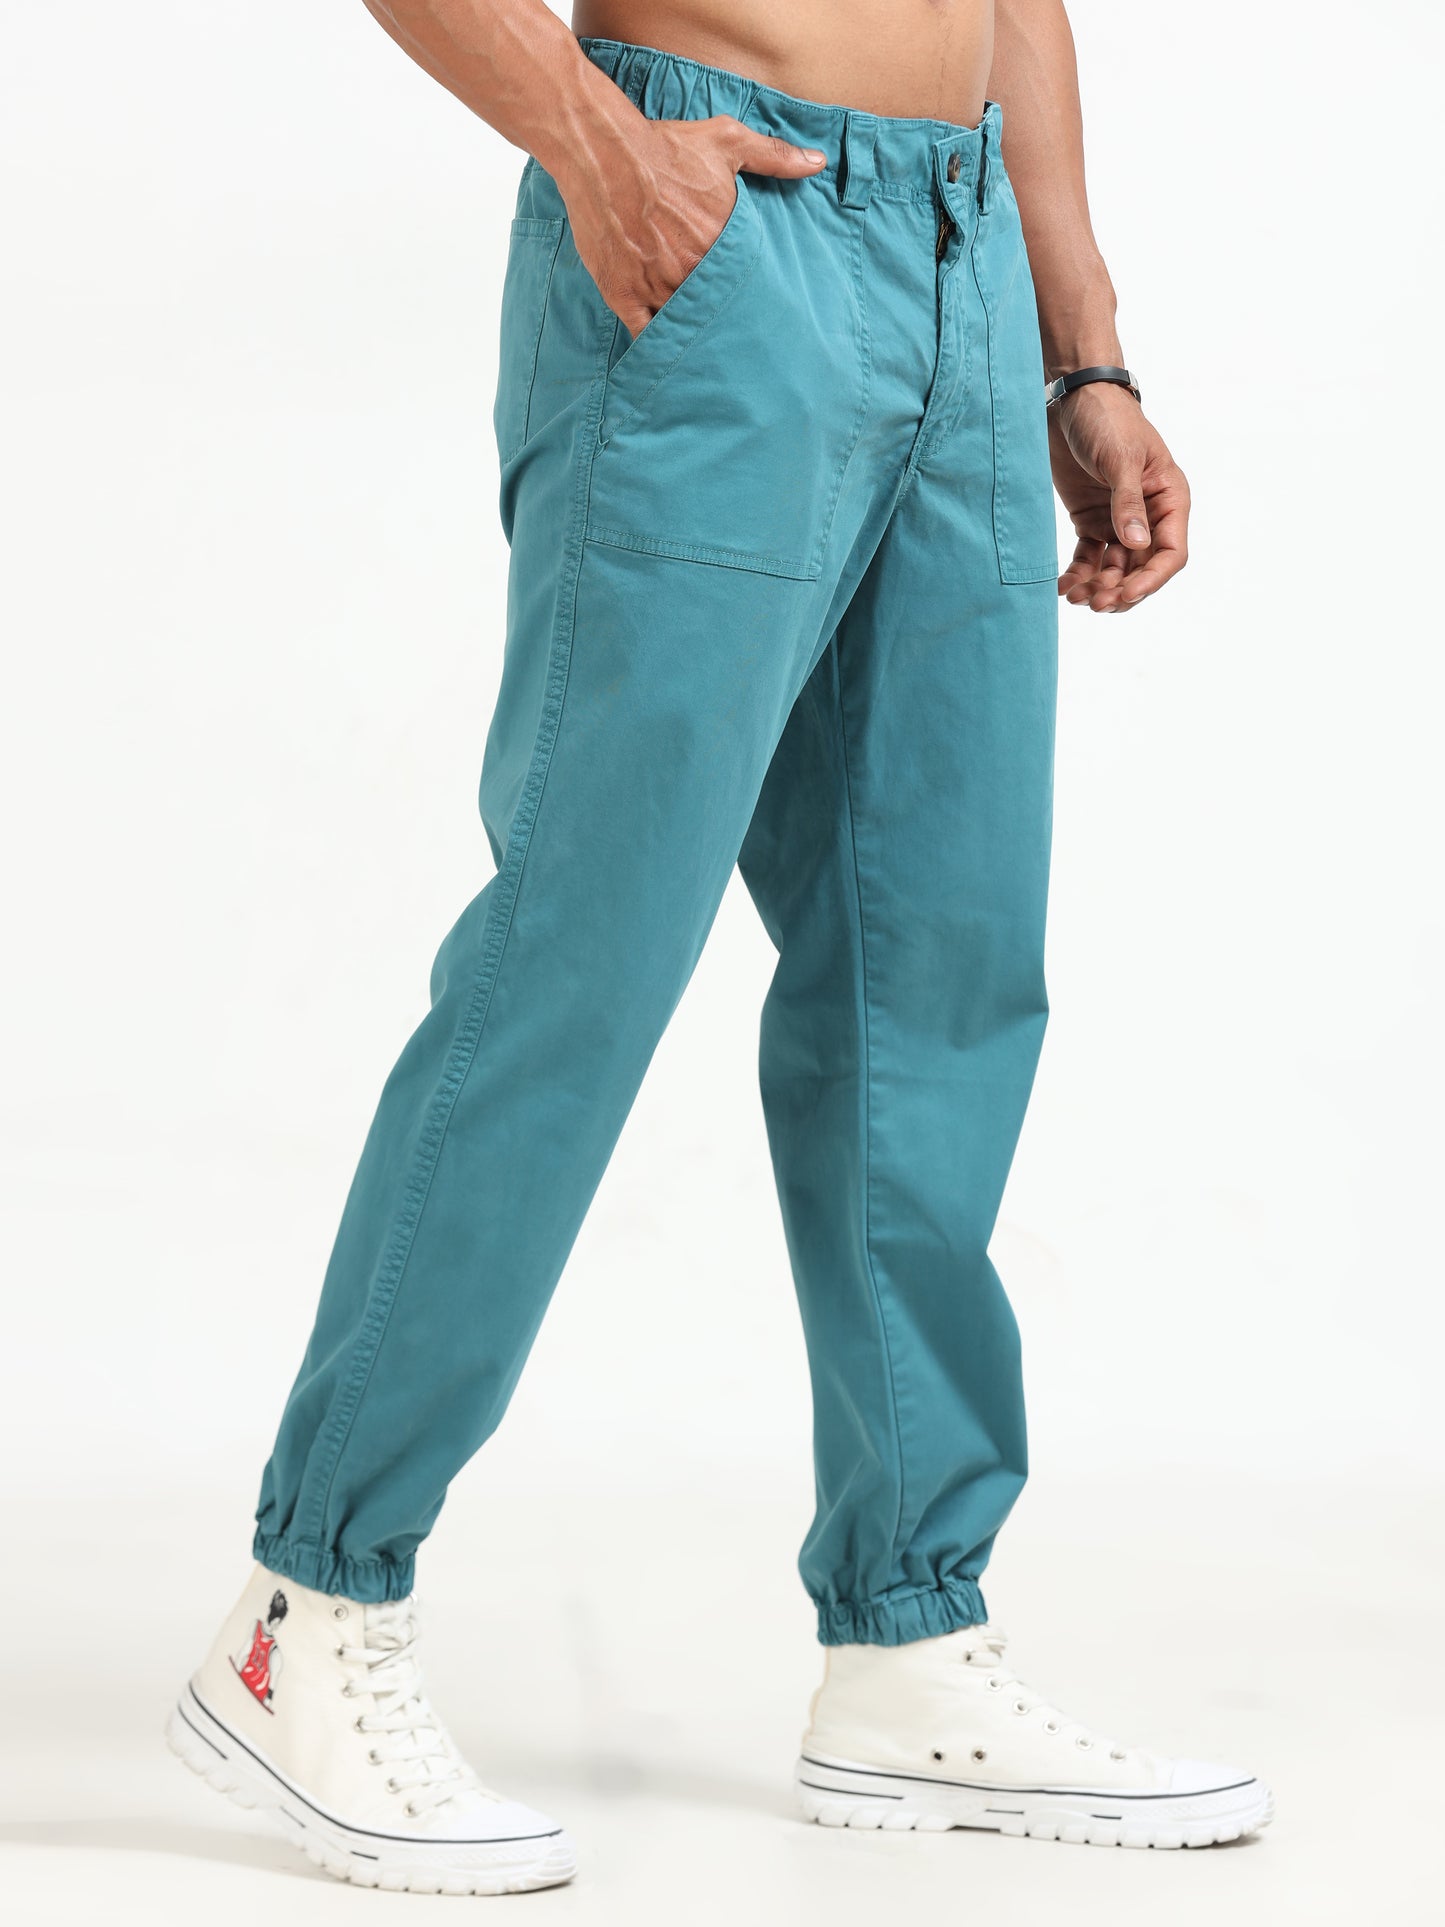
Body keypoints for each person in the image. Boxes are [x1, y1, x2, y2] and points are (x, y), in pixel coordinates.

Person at [166, 0, 1270, 1894]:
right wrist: (597, 141)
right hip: (724, 225)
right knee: (578, 957)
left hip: (962, 263)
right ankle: (306, 1615)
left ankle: (909, 1638)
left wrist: (1080, 350)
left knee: (934, 982)